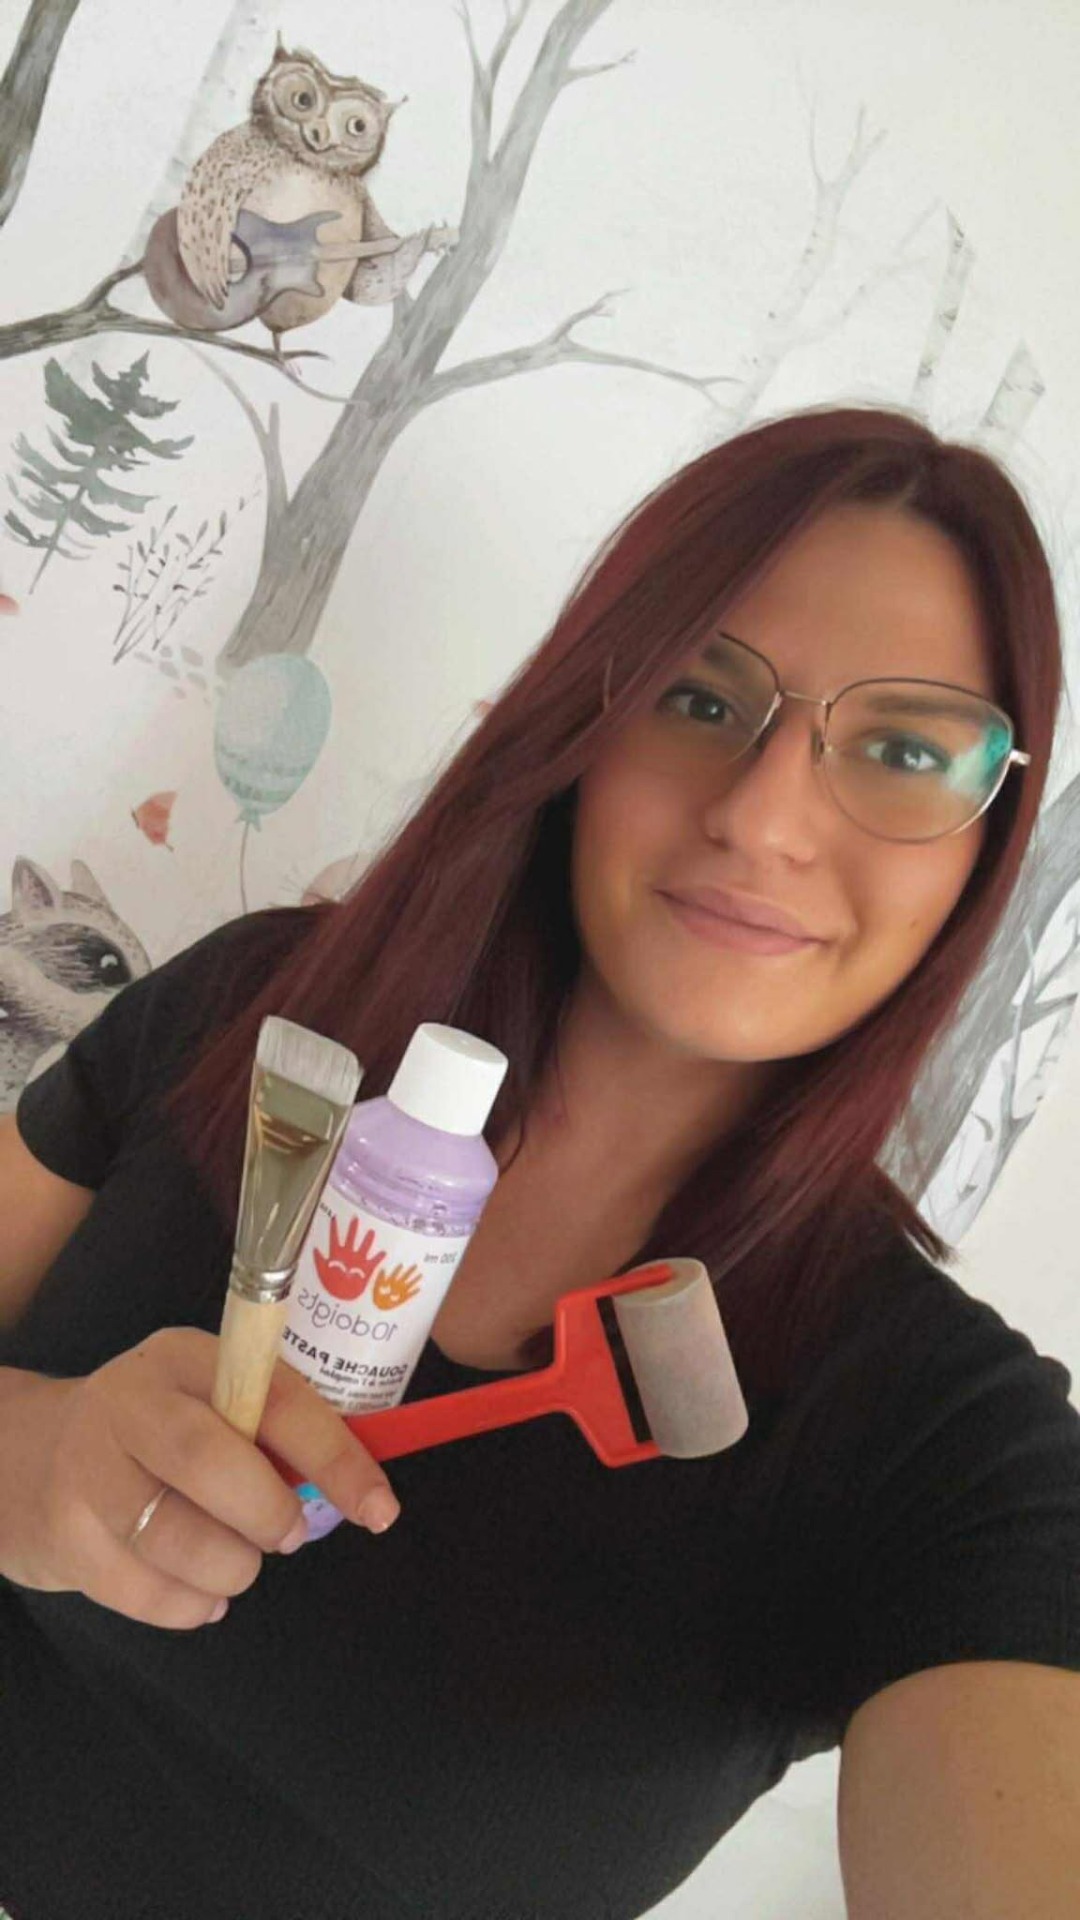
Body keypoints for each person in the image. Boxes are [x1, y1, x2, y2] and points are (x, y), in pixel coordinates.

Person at [1, 404, 1078, 1920]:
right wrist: (33, 1460)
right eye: (701, 697)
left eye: (906, 749)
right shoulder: (267, 1012)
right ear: (588, 721)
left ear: (989, 838)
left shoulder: (944, 1446)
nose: (764, 816)